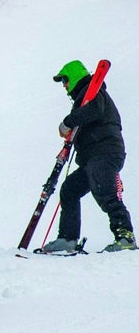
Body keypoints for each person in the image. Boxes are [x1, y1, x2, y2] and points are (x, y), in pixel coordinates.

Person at [41, 61, 136, 253]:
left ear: (74, 77)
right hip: (93, 157)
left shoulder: (94, 92)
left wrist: (68, 122)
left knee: (104, 191)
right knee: (70, 189)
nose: (65, 86)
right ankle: (67, 238)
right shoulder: (84, 98)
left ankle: (125, 236)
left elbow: (94, 111)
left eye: (65, 80)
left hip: (104, 152)